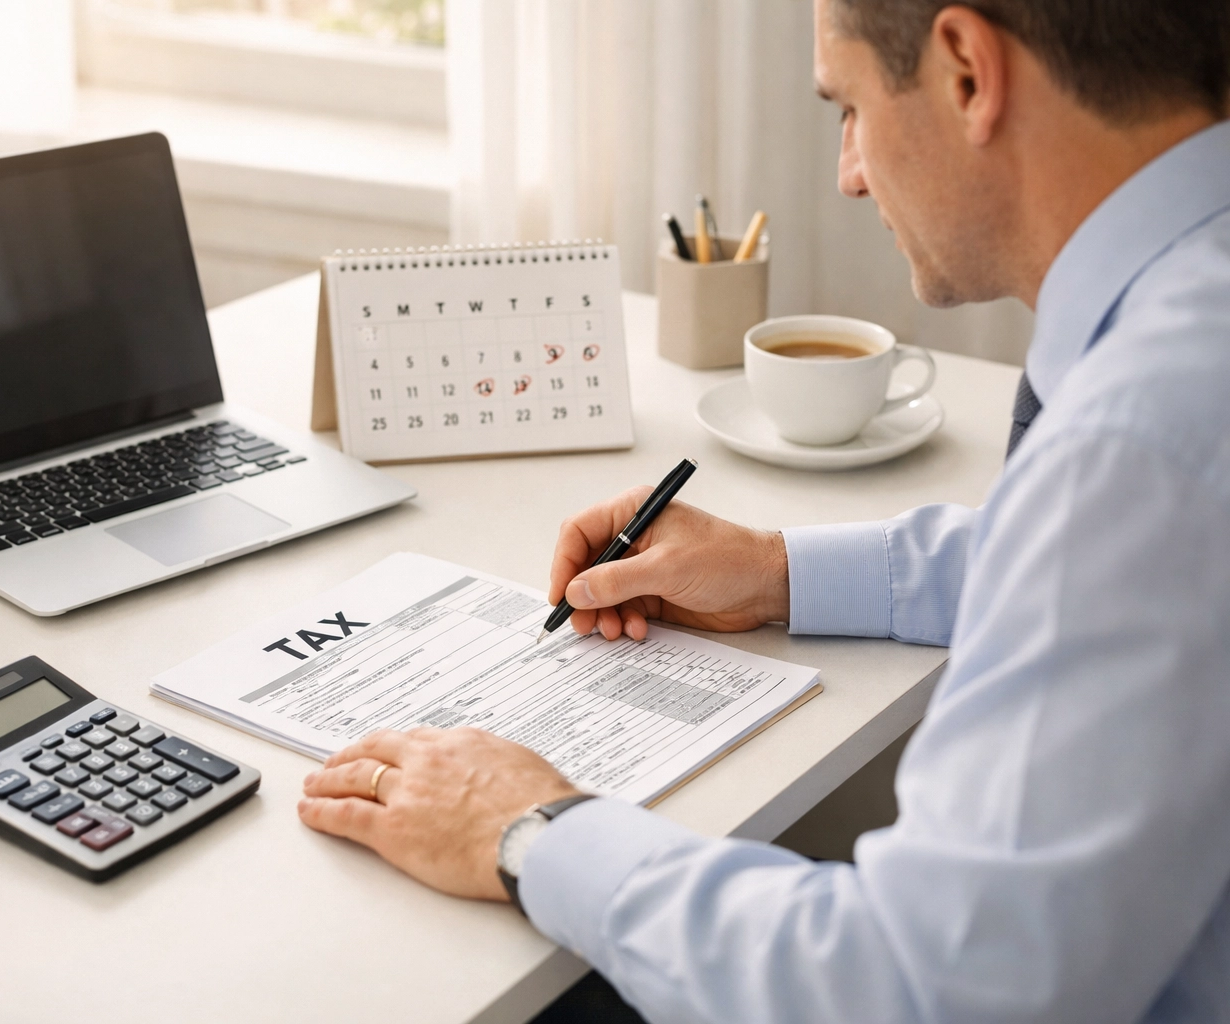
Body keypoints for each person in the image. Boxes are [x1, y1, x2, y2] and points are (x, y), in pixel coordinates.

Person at [299, 0, 1230, 1019]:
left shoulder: (1142, 444)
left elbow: (924, 989)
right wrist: (779, 569)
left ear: (967, 71)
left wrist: (529, 827)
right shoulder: (1179, 372)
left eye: (851, 108)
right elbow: (1126, 573)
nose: (850, 172)